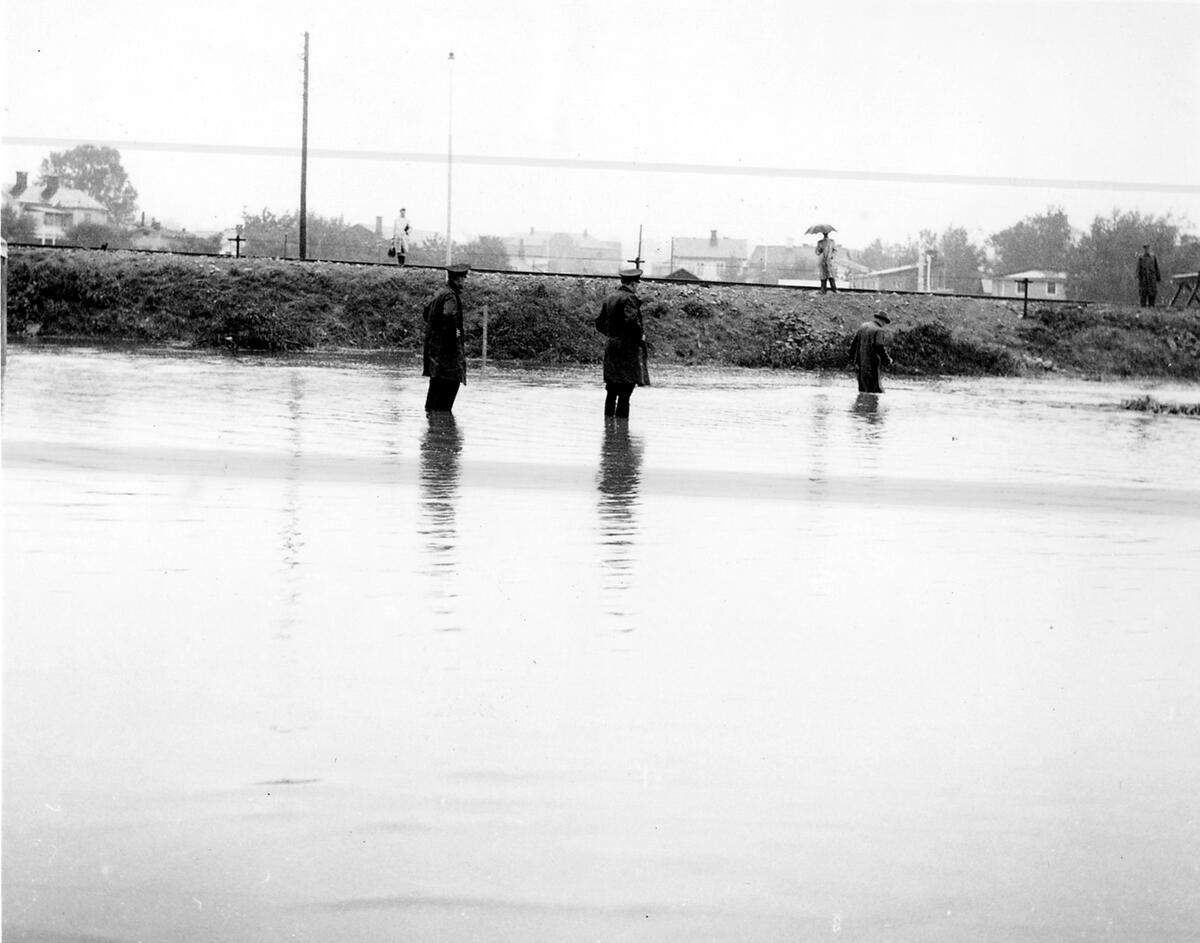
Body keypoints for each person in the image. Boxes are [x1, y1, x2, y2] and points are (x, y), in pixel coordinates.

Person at [595, 267, 647, 419]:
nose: (637, 287)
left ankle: (609, 429)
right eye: (637, 284)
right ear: (633, 284)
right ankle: (622, 430)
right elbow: (631, 321)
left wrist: (612, 335)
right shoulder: (629, 299)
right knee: (626, 389)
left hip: (611, 348)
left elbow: (599, 323)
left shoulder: (610, 298)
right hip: (627, 350)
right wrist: (640, 336)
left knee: (611, 390)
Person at [422, 264, 469, 412]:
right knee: (443, 407)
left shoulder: (440, 293)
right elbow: (449, 316)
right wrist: (456, 333)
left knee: (432, 405)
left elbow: (426, 312)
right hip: (448, 362)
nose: (464, 282)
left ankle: (433, 425)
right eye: (463, 278)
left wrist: (437, 331)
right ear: (457, 279)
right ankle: (442, 426)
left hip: (436, 358)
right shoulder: (450, 296)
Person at [849, 312, 893, 393]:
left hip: (860, 365)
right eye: (884, 322)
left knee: (862, 390)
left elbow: (854, 344)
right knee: (875, 391)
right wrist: (887, 360)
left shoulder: (863, 326)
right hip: (872, 366)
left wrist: (852, 360)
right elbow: (879, 347)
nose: (884, 324)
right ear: (882, 320)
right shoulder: (879, 330)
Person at [1136, 243, 1161, 308]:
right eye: (1145, 248)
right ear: (1144, 249)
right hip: (1144, 280)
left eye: (1148, 248)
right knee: (1143, 295)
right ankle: (1143, 309)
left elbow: (1156, 267)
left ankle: (1151, 308)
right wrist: (1138, 276)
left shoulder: (1153, 257)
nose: (1147, 250)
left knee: (1152, 295)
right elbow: (1138, 269)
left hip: (1152, 279)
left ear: (1149, 249)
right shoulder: (1141, 258)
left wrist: (1158, 277)